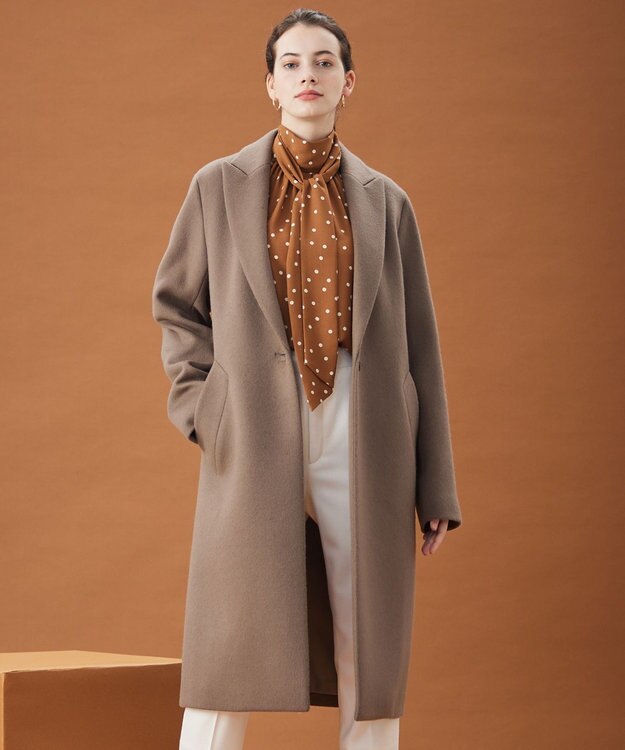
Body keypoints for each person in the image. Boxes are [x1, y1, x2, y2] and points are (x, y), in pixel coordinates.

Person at [152, 8, 463, 750]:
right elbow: (176, 308)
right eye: (290, 63)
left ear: (348, 82)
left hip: (363, 427)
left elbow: (421, 346)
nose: (307, 76)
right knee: (229, 642)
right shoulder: (217, 187)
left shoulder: (386, 202)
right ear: (270, 83)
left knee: (366, 640)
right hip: (255, 426)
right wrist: (207, 410)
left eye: (324, 62)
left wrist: (436, 485)